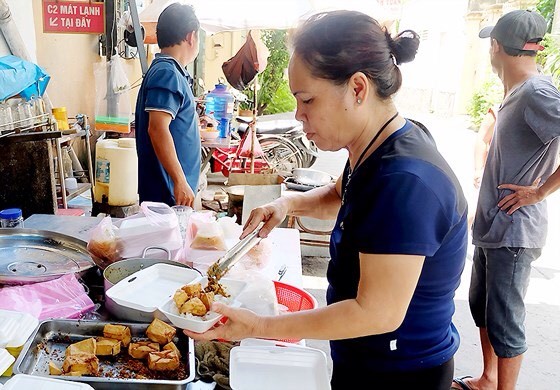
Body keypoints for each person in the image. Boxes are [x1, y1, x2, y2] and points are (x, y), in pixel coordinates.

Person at [184, 10, 468, 389]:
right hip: (363, 356)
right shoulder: (374, 145)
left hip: (400, 372)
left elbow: (376, 313)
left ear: (357, 88)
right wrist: (286, 205)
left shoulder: (405, 181)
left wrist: (260, 326)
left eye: (308, 100)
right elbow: (339, 193)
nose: (299, 115)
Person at [452, 10, 560, 390]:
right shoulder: (518, 93)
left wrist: (541, 190)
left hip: (514, 233)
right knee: (484, 309)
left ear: (496, 46)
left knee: (506, 320)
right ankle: (487, 379)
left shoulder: (537, 92)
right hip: (493, 227)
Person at [135, 3, 201, 207]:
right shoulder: (167, 73)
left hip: (172, 193)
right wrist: (180, 180)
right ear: (191, 37)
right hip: (168, 194)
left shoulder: (170, 72)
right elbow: (157, 129)